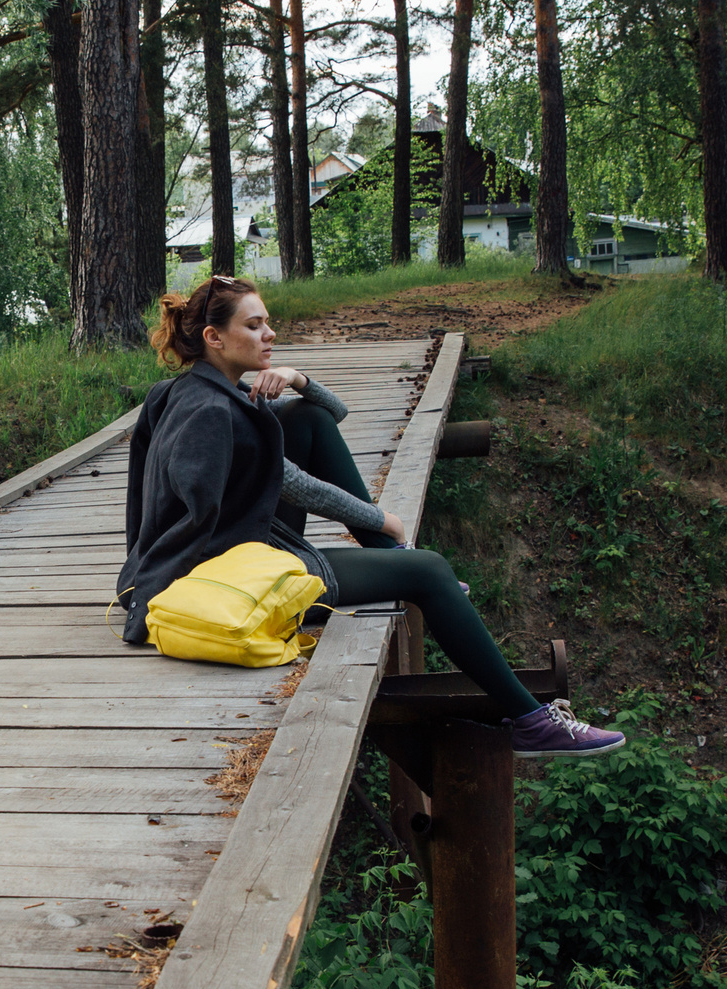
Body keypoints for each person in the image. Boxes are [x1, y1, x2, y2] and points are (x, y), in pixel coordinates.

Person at [116, 274, 624, 759]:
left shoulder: (187, 392)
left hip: (233, 549)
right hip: (223, 581)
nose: (269, 334)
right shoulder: (212, 414)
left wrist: (296, 378)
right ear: (214, 338)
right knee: (429, 570)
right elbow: (292, 485)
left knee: (306, 417)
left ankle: (391, 559)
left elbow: (333, 414)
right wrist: (383, 520)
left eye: (267, 322)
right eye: (254, 325)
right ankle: (532, 722)